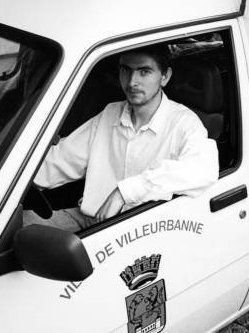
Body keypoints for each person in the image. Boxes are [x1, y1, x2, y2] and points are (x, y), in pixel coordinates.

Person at [23, 44, 219, 231]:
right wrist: (16, 178)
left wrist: (124, 192)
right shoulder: (111, 113)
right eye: (126, 70)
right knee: (11, 229)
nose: (132, 81)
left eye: (144, 72)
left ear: (165, 77)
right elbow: (61, 160)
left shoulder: (184, 122)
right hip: (91, 219)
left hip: (144, 230)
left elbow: (204, 170)